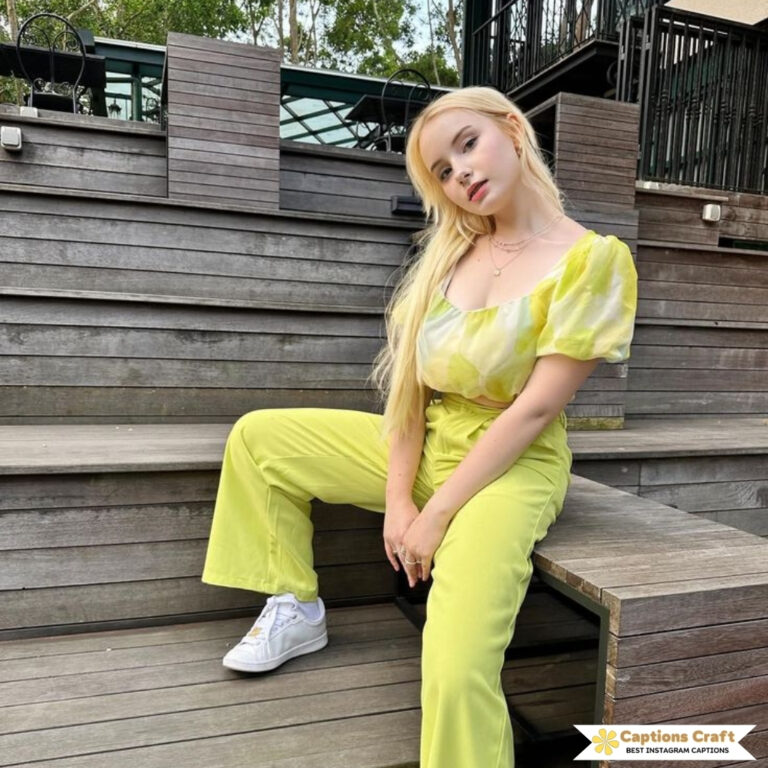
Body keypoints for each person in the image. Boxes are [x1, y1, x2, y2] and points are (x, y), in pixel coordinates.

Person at [201, 85, 638, 767]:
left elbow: (534, 410)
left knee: (457, 666)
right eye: (442, 169)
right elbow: (409, 393)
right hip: (431, 439)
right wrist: (399, 500)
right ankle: (297, 608)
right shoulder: (449, 255)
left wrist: (434, 516)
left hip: (512, 466)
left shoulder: (593, 259)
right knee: (260, 438)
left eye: (468, 144)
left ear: (511, 129)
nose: (460, 172)